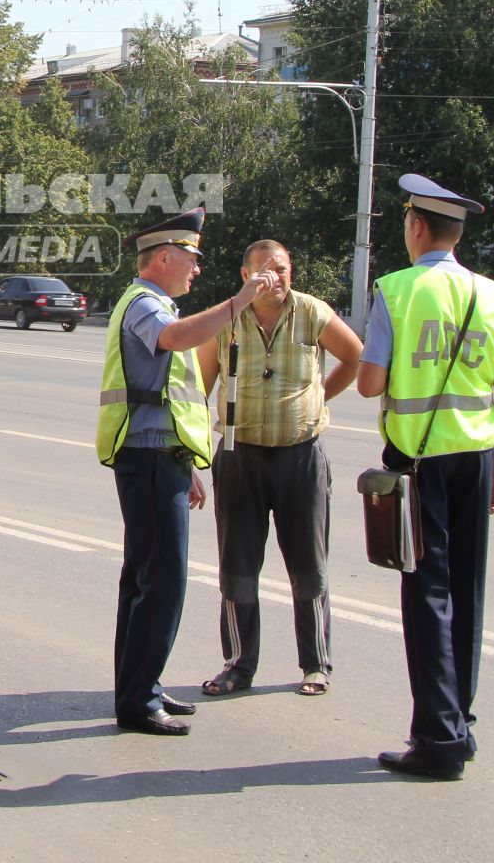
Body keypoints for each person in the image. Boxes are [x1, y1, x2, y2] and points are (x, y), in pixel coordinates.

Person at [357, 173, 494, 781]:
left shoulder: (397, 290)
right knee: (467, 593)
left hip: (419, 463)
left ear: (417, 226)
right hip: (477, 459)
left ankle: (437, 740)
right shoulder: (491, 294)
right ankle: (462, 723)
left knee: (426, 595)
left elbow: (370, 381)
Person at [98, 208, 281, 736]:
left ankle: (141, 688)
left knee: (145, 579)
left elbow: (171, 396)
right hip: (147, 458)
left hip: (161, 455)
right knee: (161, 581)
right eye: (192, 258)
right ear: (163, 257)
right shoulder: (143, 304)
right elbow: (175, 339)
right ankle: (137, 700)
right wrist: (240, 301)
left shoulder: (157, 304)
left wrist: (185, 458)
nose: (197, 268)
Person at [195, 240, 363, 699]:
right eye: (265, 271)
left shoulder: (311, 311)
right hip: (238, 454)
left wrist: (318, 398)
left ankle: (315, 664)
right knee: (238, 567)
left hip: (300, 455)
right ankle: (237, 665)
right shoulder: (225, 317)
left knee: (309, 566)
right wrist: (191, 457)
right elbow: (201, 387)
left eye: (283, 269)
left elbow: (354, 356)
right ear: (245, 274)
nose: (276, 278)